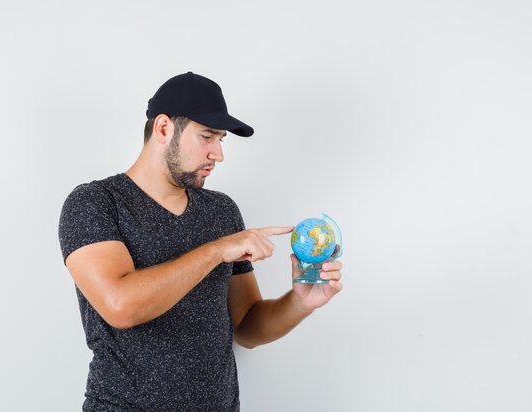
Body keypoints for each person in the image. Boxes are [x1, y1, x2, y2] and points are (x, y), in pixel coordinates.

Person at [58, 71, 343, 411]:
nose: (218, 154)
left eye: (221, 139)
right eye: (207, 136)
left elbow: (247, 327)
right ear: (163, 129)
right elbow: (121, 306)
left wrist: (299, 303)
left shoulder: (222, 212)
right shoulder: (95, 202)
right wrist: (218, 250)